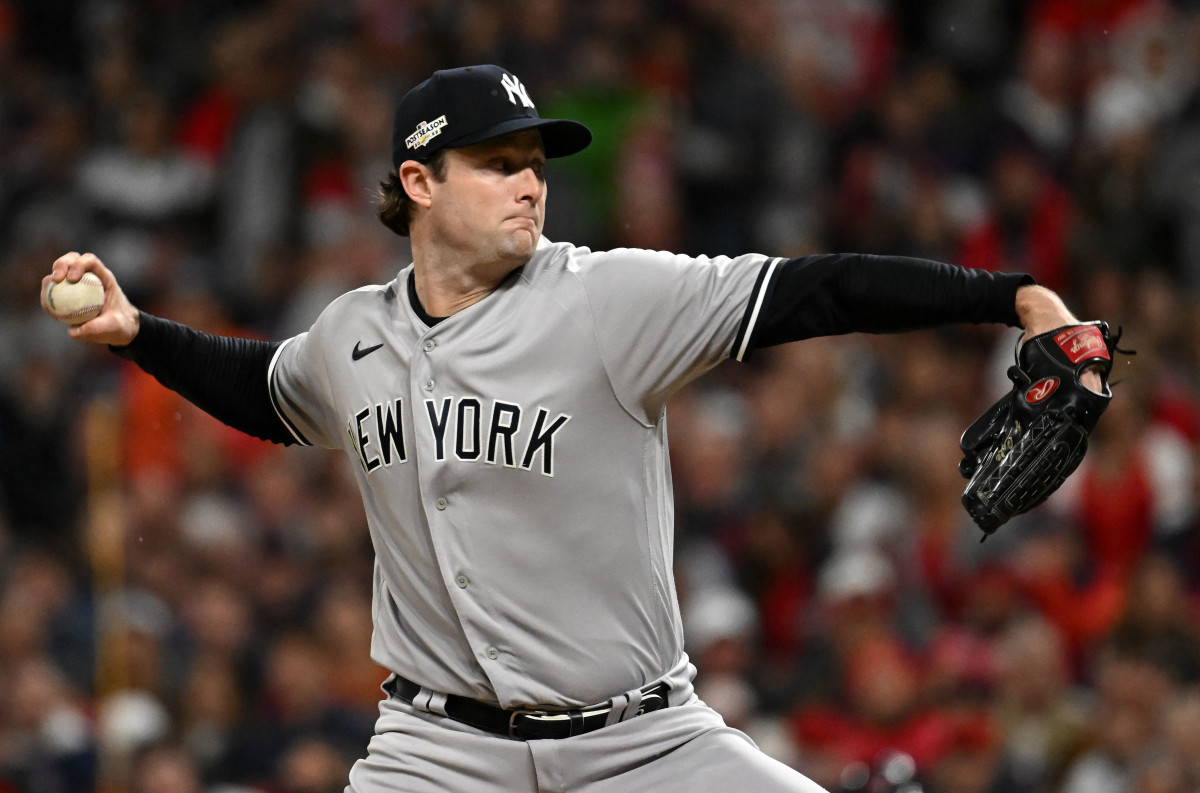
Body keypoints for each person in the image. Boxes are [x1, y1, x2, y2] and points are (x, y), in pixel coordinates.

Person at [43, 64, 1103, 793]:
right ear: (418, 182)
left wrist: (1011, 295)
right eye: (497, 162)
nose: (529, 183)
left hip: (641, 742)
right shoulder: (351, 333)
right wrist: (139, 333)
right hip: (436, 750)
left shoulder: (608, 300)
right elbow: (264, 394)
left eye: (535, 162)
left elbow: (816, 291)